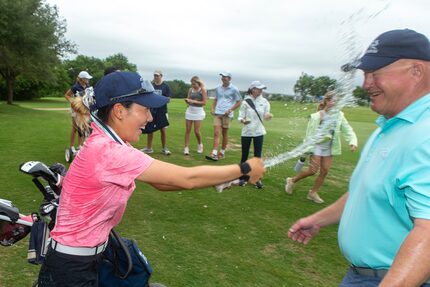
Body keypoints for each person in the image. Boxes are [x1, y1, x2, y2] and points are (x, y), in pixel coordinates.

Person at [37, 71, 265, 286]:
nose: (149, 117)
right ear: (119, 110)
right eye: (144, 109)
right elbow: (187, 177)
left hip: (87, 258)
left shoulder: (111, 143)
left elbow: (161, 183)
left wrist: (220, 179)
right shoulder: (109, 152)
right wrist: (244, 167)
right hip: (71, 269)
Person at [288, 29, 430, 286]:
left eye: (376, 73)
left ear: (417, 71)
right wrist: (319, 219)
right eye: (365, 75)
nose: (366, 84)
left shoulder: (425, 133)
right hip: (363, 276)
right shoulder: (391, 126)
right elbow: (365, 190)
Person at [285, 91, 357, 203]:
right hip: (316, 146)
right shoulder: (317, 116)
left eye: (336, 101)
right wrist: (305, 150)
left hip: (329, 147)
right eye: (333, 100)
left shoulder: (339, 115)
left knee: (324, 171)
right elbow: (309, 134)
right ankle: (292, 180)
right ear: (327, 101)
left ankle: (312, 193)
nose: (335, 103)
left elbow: (347, 129)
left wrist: (352, 141)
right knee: (313, 170)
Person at [237, 81, 272, 189]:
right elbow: (240, 117)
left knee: (257, 156)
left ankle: (256, 178)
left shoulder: (265, 101)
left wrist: (267, 116)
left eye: (262, 89)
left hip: (259, 132)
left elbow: (266, 113)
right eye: (259, 89)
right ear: (253, 89)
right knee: (244, 155)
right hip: (246, 132)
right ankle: (243, 177)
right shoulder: (245, 102)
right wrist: (243, 120)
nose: (261, 90)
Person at [206, 72, 241, 161]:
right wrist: (212, 108)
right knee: (216, 133)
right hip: (218, 113)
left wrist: (230, 110)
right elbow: (216, 99)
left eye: (225, 77)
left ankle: (222, 152)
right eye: (222, 77)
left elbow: (238, 102)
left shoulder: (234, 89)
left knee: (224, 133)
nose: (223, 78)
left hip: (227, 114)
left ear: (229, 78)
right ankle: (214, 153)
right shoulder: (218, 88)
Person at [141, 70, 172, 155]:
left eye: (157, 76)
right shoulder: (151, 85)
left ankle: (164, 148)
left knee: (163, 129)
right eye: (155, 76)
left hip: (162, 111)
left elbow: (169, 99)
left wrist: (159, 99)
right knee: (150, 129)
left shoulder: (165, 86)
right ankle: (149, 148)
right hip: (152, 110)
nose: (156, 77)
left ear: (161, 76)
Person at [64, 71, 92, 152]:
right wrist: (73, 102)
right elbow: (67, 95)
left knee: (82, 127)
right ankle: (72, 146)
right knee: (75, 128)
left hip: (83, 109)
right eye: (86, 78)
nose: (88, 80)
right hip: (75, 109)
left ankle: (79, 145)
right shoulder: (75, 87)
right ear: (82, 79)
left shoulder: (88, 86)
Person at [183, 76, 207, 155]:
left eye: (194, 84)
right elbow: (189, 100)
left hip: (198, 111)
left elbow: (204, 102)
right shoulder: (190, 90)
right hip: (190, 110)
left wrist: (193, 101)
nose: (193, 85)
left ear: (198, 83)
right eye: (192, 84)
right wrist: (187, 101)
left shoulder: (202, 90)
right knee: (188, 130)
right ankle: (186, 148)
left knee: (196, 131)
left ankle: (200, 144)